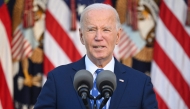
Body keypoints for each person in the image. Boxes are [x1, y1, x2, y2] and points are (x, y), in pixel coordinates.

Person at [34, 3, 158, 109]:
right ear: (82, 36)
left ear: (118, 36)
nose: (99, 37)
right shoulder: (58, 79)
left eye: (106, 30)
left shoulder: (140, 84)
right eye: (92, 29)